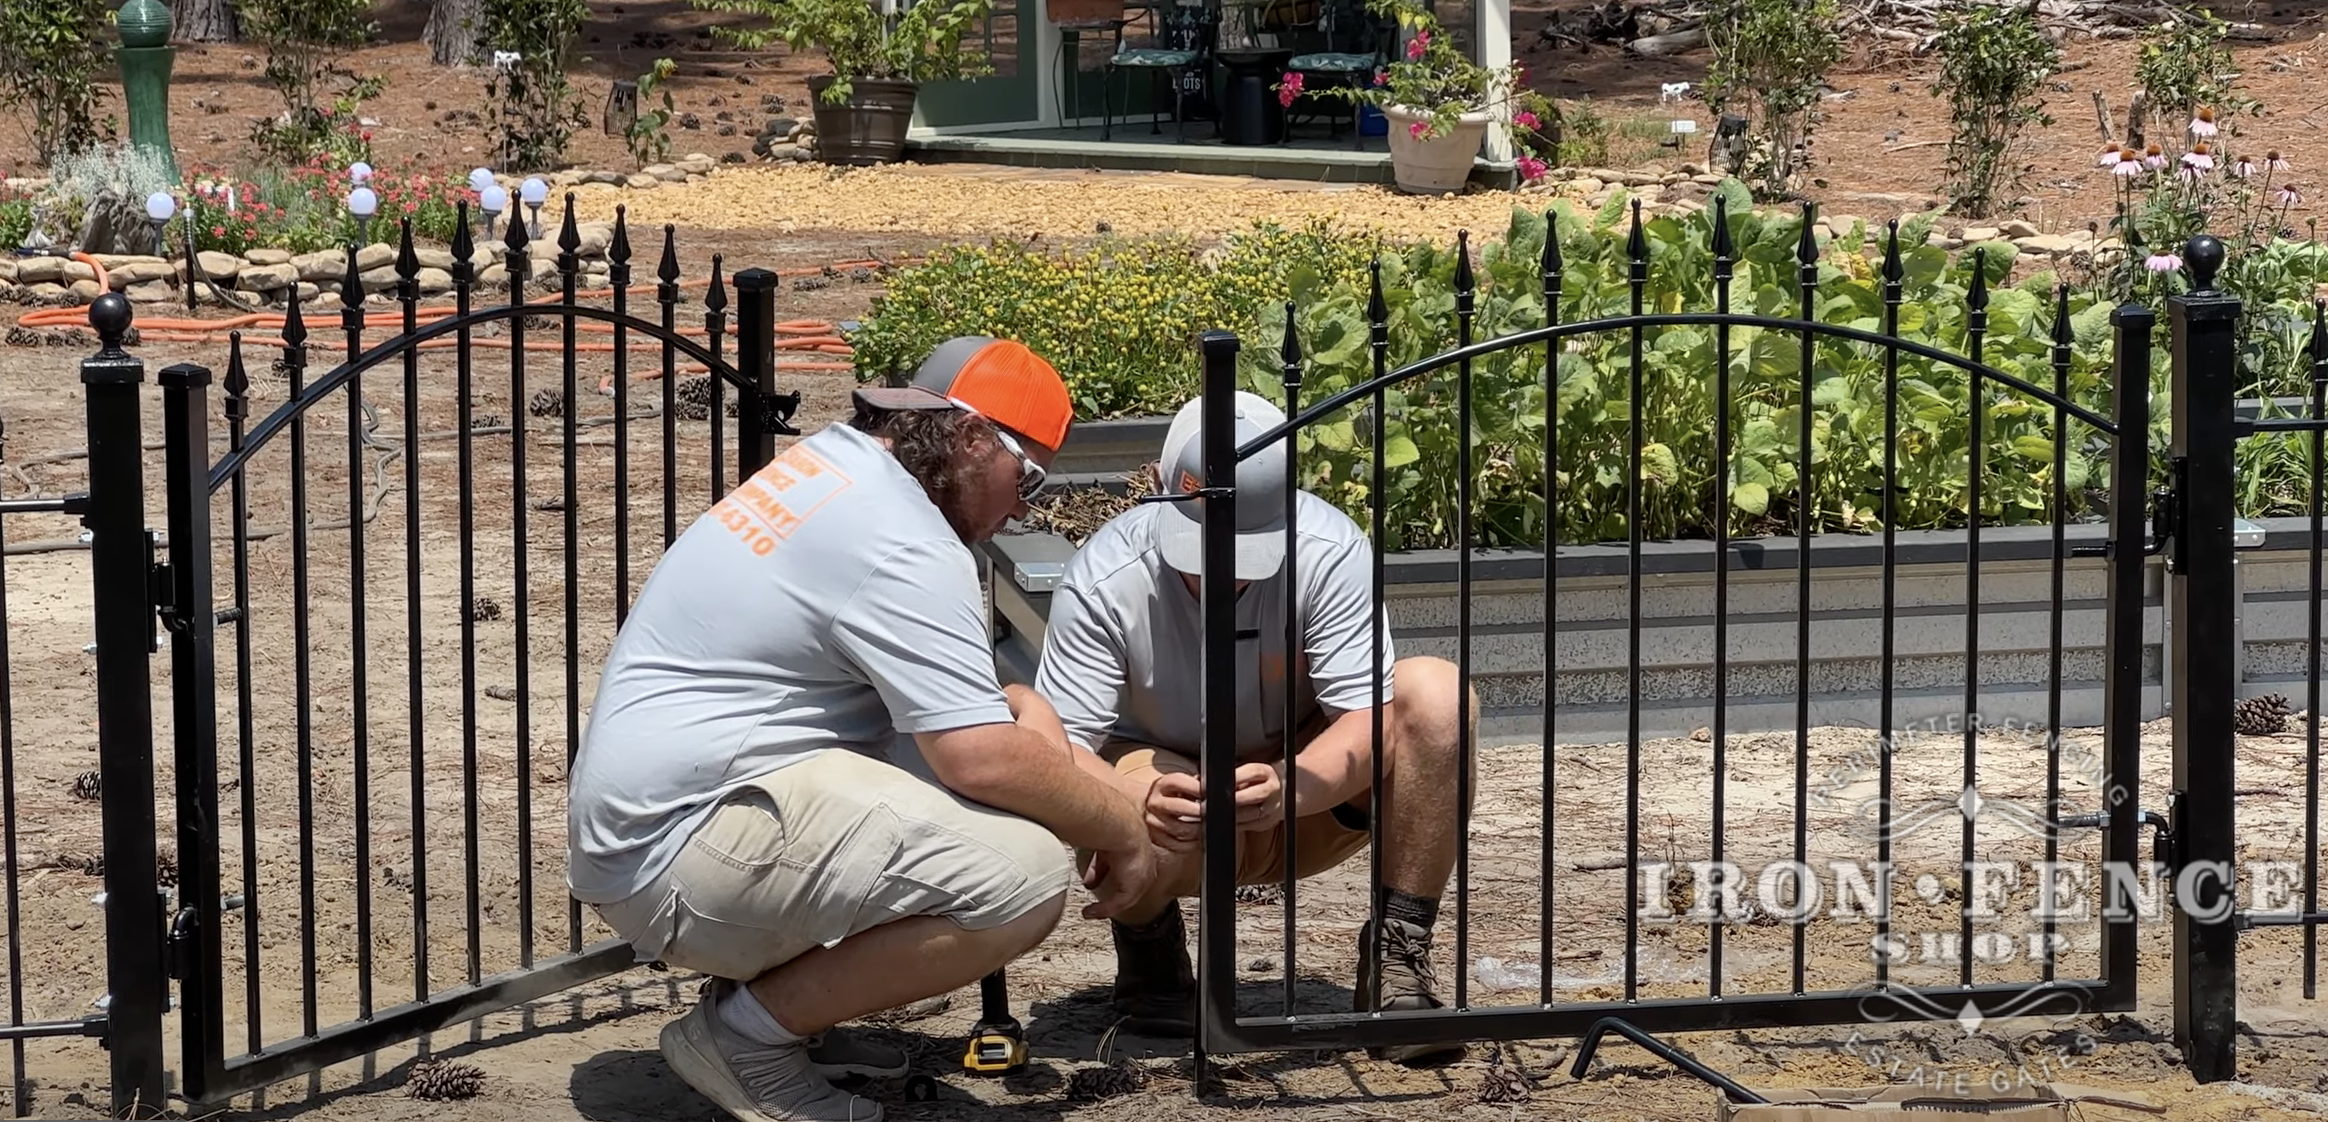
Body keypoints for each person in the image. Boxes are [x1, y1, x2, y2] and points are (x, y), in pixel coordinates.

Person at [567, 336, 1159, 1122]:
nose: (1024, 508)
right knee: (1019, 878)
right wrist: (1123, 829)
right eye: (1030, 479)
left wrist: (1031, 708)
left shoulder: (835, 469)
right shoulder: (905, 538)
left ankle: (785, 1013)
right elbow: (979, 759)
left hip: (652, 827)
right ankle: (745, 1039)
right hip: (676, 858)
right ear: (972, 439)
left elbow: (953, 712)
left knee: (955, 796)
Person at [1030, 390, 1477, 1066]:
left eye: (1246, 555)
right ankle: (1150, 949)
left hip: (1307, 799)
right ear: (1156, 487)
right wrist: (1136, 796)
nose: (1220, 572)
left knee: (1439, 695)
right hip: (1168, 806)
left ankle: (1398, 956)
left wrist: (1287, 787)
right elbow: (1056, 747)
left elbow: (1368, 720)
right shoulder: (1103, 577)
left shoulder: (1329, 550)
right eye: (1197, 549)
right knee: (1113, 784)